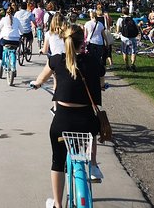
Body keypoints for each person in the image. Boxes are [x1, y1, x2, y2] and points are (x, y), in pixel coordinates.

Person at [30, 24, 105, 208]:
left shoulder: (56, 60)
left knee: (58, 161)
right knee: (90, 131)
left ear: (64, 41)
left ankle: (57, 204)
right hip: (87, 122)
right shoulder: (95, 61)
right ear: (83, 42)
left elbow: (41, 78)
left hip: (62, 122)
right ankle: (93, 165)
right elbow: (101, 83)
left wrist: (37, 84)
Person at [84, 10, 106, 89]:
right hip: (99, 42)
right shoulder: (100, 24)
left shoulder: (87, 24)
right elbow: (103, 34)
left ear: (91, 16)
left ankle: (92, 73)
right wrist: (106, 41)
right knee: (98, 58)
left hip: (91, 42)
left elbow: (85, 34)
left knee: (91, 58)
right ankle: (98, 72)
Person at [116, 7, 138, 71]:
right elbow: (136, 27)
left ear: (122, 12)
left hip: (124, 37)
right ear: (128, 12)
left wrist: (118, 33)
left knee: (124, 51)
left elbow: (117, 30)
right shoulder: (132, 19)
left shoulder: (120, 19)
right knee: (133, 51)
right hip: (132, 37)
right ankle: (132, 64)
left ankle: (127, 65)